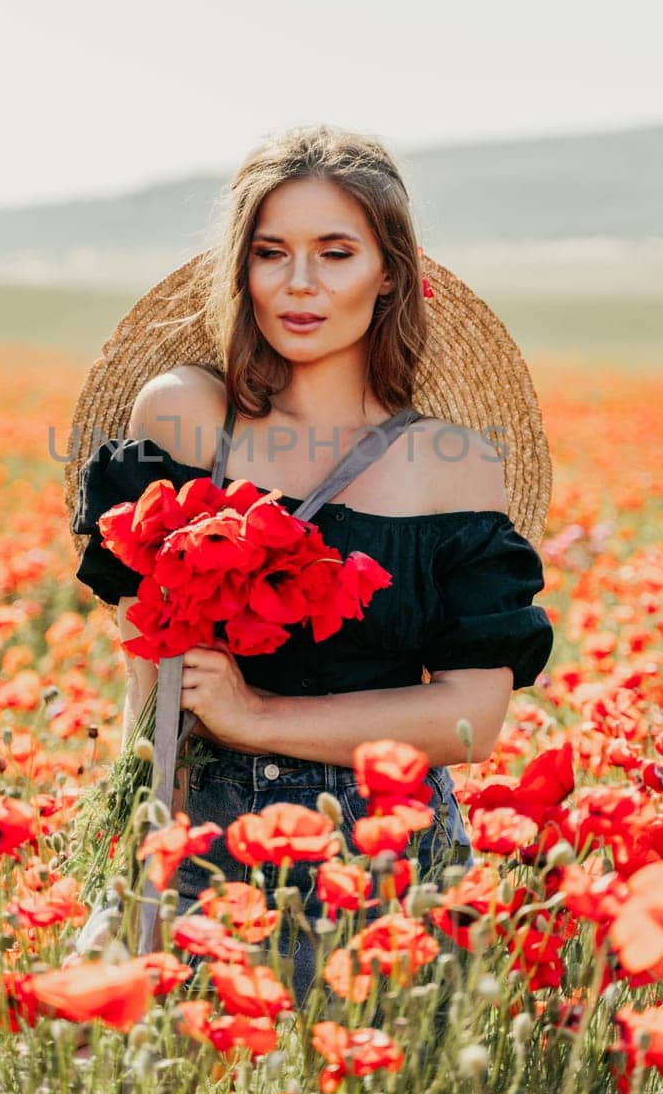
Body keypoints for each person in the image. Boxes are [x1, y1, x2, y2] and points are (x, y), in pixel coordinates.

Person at [65, 125, 555, 1007]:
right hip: (202, 833)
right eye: (270, 253)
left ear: (392, 273)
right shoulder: (187, 416)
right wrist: (140, 844)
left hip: (388, 852)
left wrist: (257, 716)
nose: (299, 283)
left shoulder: (453, 464)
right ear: (241, 271)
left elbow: (472, 719)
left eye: (335, 253)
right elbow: (149, 663)